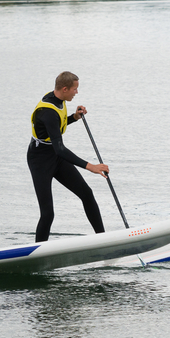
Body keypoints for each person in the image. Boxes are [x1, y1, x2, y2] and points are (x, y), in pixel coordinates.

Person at [27, 71, 109, 242]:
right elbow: (60, 149)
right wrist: (91, 166)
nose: (76, 92)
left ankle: (103, 240)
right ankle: (39, 253)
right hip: (40, 160)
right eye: (74, 89)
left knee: (86, 193)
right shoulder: (47, 111)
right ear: (64, 89)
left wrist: (74, 117)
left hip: (54, 155)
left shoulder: (58, 99)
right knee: (48, 213)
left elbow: (55, 128)